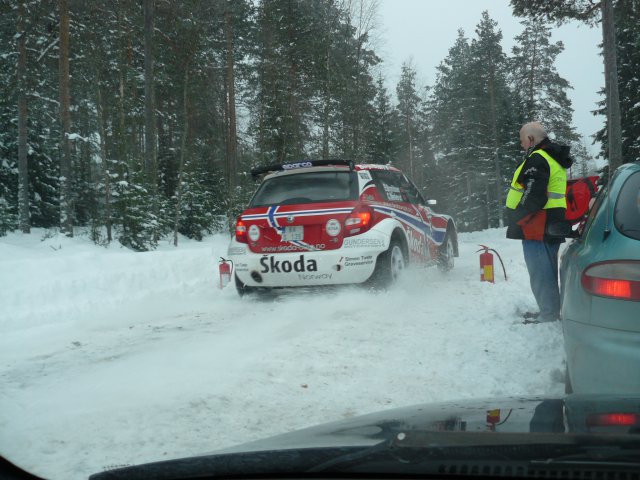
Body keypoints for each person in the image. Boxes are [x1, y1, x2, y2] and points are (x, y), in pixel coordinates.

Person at [505, 122, 573, 323]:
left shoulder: (538, 158)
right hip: (551, 221)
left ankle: (549, 315)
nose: (521, 145)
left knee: (540, 272)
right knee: (547, 269)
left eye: (522, 140)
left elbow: (534, 195)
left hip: (538, 224)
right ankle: (550, 311)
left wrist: (517, 215)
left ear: (531, 139)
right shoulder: (552, 158)